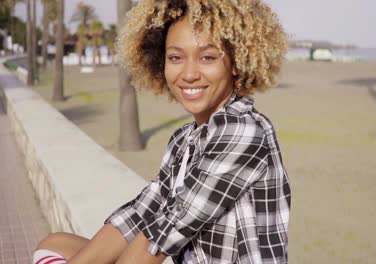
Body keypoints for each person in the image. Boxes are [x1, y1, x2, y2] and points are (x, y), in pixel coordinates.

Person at [33, 0, 291, 263]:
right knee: (55, 244)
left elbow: (170, 227)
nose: (189, 74)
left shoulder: (244, 132)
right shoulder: (183, 140)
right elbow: (142, 212)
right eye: (176, 58)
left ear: (236, 63)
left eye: (208, 57)